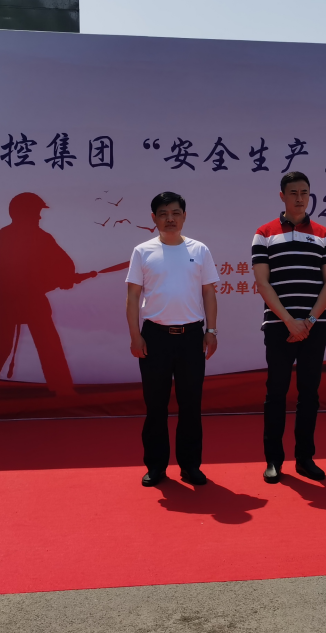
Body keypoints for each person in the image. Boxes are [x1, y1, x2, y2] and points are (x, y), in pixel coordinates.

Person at [126, 192, 220, 487]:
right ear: (153, 218)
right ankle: (156, 466)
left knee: (191, 404)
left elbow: (208, 292)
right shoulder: (143, 251)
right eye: (163, 214)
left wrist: (212, 331)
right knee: (156, 405)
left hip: (191, 336)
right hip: (155, 337)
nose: (170, 219)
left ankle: (190, 465)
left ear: (184, 216)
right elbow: (133, 296)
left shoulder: (199, 250)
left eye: (176, 213)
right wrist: (135, 336)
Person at [252, 171, 326, 484]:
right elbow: (263, 282)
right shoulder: (264, 233)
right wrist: (290, 321)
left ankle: (305, 458)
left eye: (304, 192)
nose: (300, 198)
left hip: (315, 326)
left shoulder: (323, 234)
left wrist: (309, 321)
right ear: (282, 196)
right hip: (279, 325)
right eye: (293, 193)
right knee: (276, 393)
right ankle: (273, 460)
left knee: (309, 394)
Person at [0, 193, 95, 394]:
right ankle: (62, 389)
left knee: (25, 345)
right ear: (25, 213)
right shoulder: (38, 238)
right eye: (36, 212)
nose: (39, 217)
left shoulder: (8, 237)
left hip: (11, 302)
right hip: (17, 301)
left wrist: (62, 278)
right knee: (39, 344)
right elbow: (64, 266)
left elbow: (65, 266)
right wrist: (61, 279)